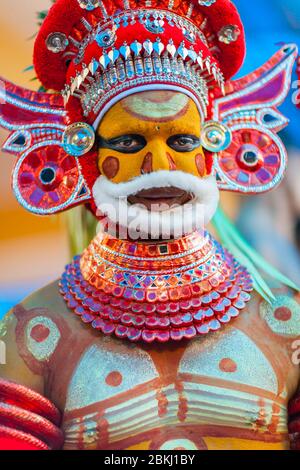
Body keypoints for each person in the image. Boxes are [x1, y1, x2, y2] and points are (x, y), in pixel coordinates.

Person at [0, 0, 299, 451]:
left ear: (213, 149)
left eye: (181, 140)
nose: (159, 165)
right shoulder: (34, 334)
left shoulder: (286, 321)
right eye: (128, 140)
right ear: (88, 157)